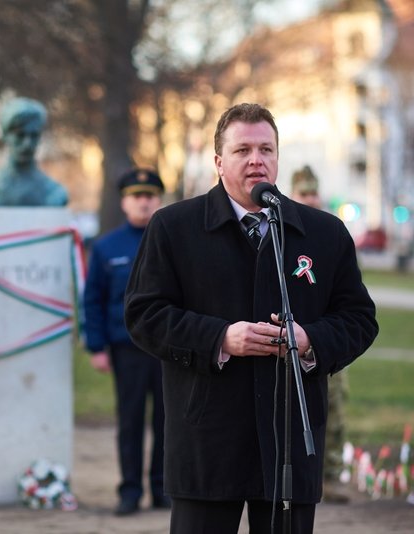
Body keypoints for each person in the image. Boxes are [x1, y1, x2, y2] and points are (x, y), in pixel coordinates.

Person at [124, 103, 378, 534]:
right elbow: (144, 314)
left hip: (289, 444)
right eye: (242, 150)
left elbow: (358, 318)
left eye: (266, 149)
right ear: (219, 162)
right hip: (206, 438)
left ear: (278, 158)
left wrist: (309, 339)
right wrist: (220, 338)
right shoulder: (174, 227)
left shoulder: (323, 233)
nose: (256, 160)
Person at [83, 168, 168, 516]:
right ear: (124, 202)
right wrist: (96, 346)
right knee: (130, 421)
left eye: (149, 196)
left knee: (168, 421)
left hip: (168, 348)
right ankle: (129, 490)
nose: (143, 202)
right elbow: (93, 300)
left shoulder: (173, 239)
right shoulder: (106, 247)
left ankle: (163, 488)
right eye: (137, 196)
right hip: (126, 347)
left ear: (159, 200)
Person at [290, 165, 350, 504]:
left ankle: (331, 473)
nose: (310, 199)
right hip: (294, 338)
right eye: (303, 194)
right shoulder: (286, 232)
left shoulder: (331, 234)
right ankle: (309, 473)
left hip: (327, 336)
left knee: (336, 406)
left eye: (314, 193)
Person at [0, 97, 68, 206]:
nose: (27, 144)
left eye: (34, 135)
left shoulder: (54, 193)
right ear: (5, 136)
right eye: (20, 135)